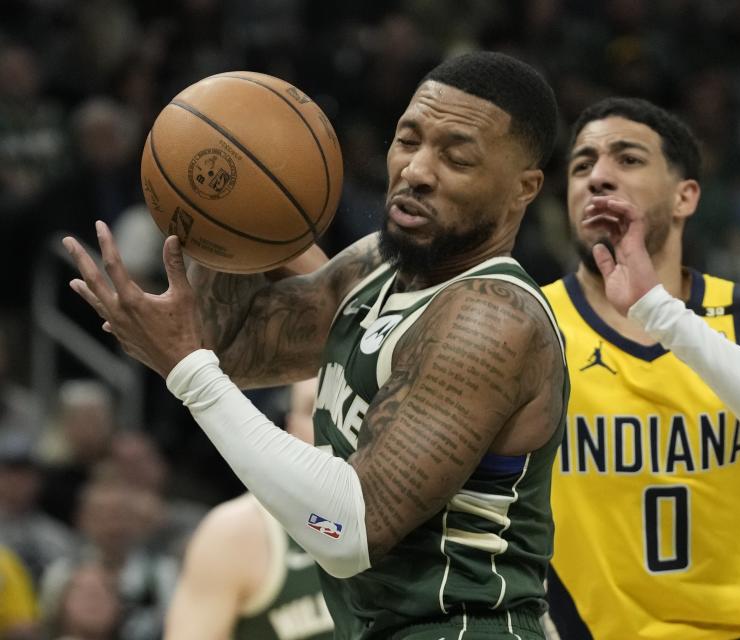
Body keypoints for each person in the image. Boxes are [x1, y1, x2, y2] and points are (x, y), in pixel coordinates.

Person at [62, 51, 567, 640]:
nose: (416, 170)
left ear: (523, 189)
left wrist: (190, 373)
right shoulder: (375, 267)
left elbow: (350, 531)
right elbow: (233, 349)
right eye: (408, 140)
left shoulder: (490, 319)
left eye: (455, 157)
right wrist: (222, 210)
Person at [542, 97, 740, 639]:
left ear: (685, 196)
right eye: (581, 164)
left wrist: (661, 315)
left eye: (628, 159)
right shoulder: (529, 328)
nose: (598, 177)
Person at [163, 379, 335, 640]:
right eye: (313, 408)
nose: (330, 423)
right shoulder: (237, 532)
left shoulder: (413, 519)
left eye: (340, 406)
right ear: (291, 429)